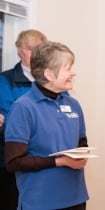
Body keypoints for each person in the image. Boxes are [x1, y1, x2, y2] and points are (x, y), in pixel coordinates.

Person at [4, 41, 89, 210]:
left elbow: (82, 142)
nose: (74, 72)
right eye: (68, 68)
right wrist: (60, 162)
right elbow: (14, 162)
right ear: (49, 74)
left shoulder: (74, 104)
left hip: (76, 198)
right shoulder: (23, 107)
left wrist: (82, 155)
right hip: (41, 202)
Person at [0, 29, 47, 210]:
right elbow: (11, 118)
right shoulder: (5, 80)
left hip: (43, 161)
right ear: (20, 50)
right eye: (32, 49)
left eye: (41, 49)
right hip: (12, 160)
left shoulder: (49, 79)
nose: (37, 54)